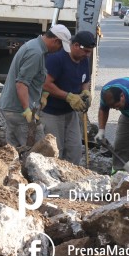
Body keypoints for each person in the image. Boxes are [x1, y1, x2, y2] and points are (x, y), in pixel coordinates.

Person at [0, 24, 71, 147]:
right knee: (39, 152)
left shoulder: (35, 46)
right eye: (60, 46)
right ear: (56, 40)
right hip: (18, 111)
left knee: (14, 152)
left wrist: (43, 95)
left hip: (11, 109)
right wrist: (27, 110)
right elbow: (21, 84)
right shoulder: (35, 53)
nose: (59, 50)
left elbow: (34, 78)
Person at [40, 30, 96, 164]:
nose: (87, 55)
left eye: (90, 52)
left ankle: (72, 180)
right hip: (51, 112)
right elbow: (46, 84)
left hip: (70, 113)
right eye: (86, 51)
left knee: (74, 149)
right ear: (76, 45)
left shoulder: (83, 60)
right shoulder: (57, 59)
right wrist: (68, 97)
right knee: (55, 151)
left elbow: (85, 80)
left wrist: (85, 92)